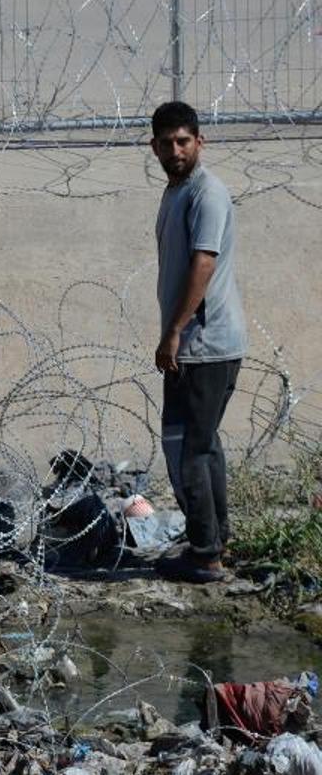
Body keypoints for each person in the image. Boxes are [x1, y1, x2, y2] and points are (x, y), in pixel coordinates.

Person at [149, 101, 247, 584]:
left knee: (188, 447)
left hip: (205, 344)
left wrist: (173, 332)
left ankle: (206, 554)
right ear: (154, 148)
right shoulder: (177, 191)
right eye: (167, 143)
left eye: (184, 141)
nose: (176, 150)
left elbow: (203, 264)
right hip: (195, 342)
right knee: (201, 446)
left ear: (200, 142)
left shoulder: (207, 194)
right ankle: (214, 539)